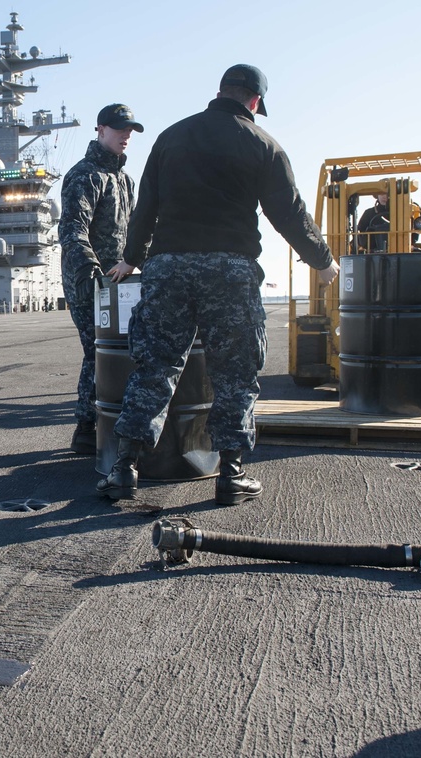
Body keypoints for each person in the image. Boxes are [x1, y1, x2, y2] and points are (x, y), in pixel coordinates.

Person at [97, 65, 340, 503]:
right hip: (229, 272)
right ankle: (231, 475)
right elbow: (289, 214)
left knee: (154, 370)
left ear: (220, 92)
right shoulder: (262, 144)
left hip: (167, 269)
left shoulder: (171, 137)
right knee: (234, 375)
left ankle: (123, 470)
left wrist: (132, 260)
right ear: (254, 102)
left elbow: (144, 208)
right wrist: (322, 261)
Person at [58, 103, 142, 455]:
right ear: (100, 130)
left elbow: (136, 230)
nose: (126, 135)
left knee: (121, 352)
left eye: (130, 130)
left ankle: (112, 423)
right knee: (97, 352)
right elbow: (72, 230)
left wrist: (139, 263)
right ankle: (85, 428)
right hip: (88, 283)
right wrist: (92, 275)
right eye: (119, 128)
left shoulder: (125, 180)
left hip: (120, 284)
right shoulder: (84, 175)